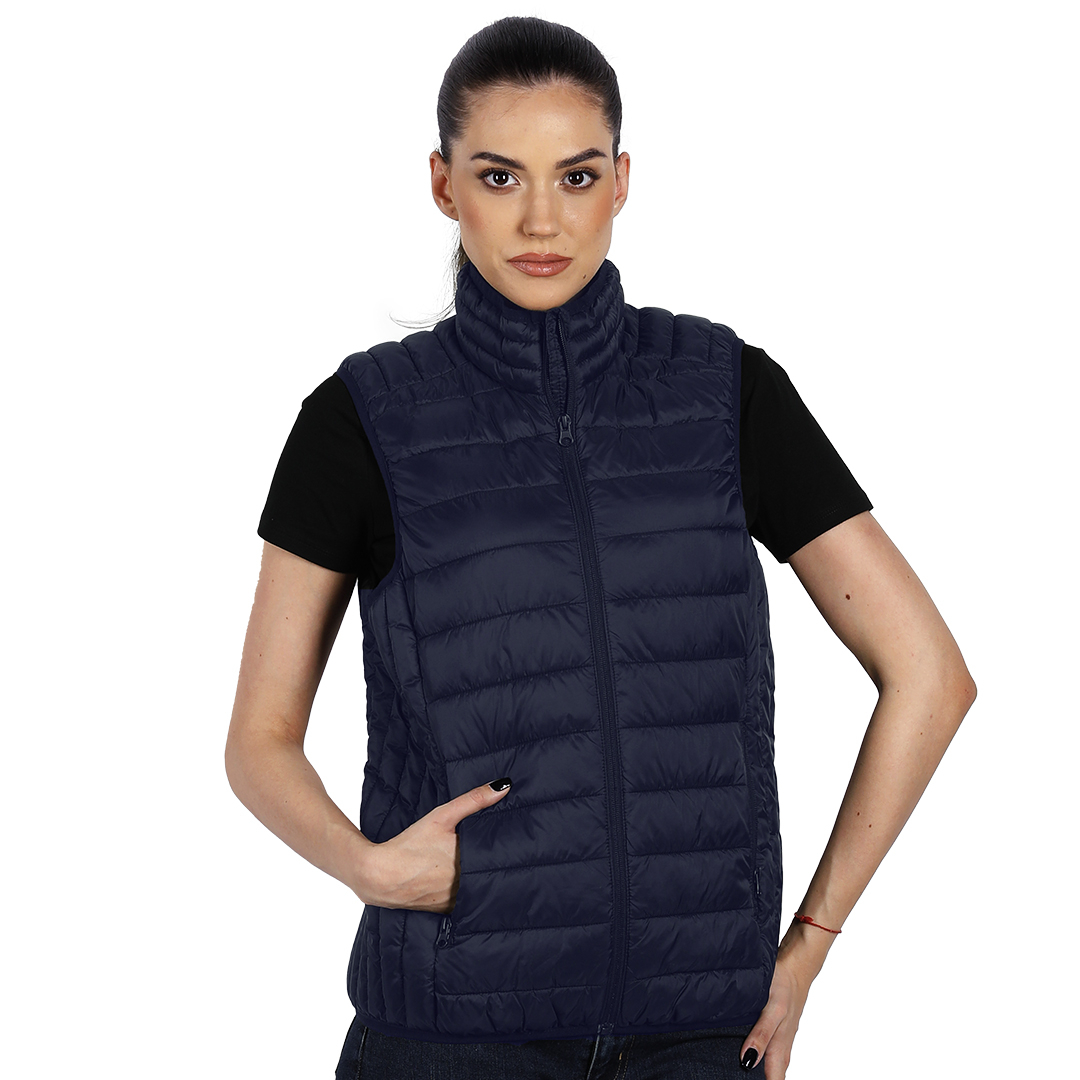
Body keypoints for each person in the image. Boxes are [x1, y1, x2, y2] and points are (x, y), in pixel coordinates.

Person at [225, 16, 976, 1080]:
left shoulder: (725, 393)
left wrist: (807, 947)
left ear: (621, 182)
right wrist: (370, 869)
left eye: (576, 177)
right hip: (450, 1036)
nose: (542, 219)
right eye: (499, 176)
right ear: (442, 184)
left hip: (699, 1037)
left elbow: (931, 676)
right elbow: (258, 741)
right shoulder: (362, 420)